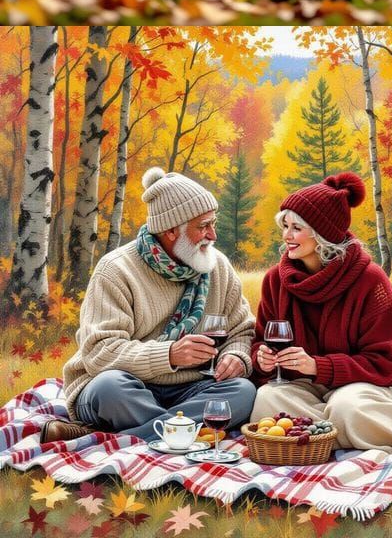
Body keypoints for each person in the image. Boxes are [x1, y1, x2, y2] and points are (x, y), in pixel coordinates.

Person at [249, 172, 392, 453]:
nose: (286, 236)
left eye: (296, 228)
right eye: (285, 226)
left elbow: (386, 362)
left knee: (348, 407)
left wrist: (317, 365)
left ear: (322, 234)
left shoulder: (370, 280)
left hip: (379, 383)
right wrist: (262, 358)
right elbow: (261, 341)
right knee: (266, 398)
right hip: (313, 387)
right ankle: (347, 433)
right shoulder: (276, 280)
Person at [49, 168, 257, 444]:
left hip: (190, 388)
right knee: (111, 388)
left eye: (213, 223)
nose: (213, 235)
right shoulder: (115, 270)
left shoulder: (217, 265)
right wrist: (170, 355)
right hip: (125, 387)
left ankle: (108, 438)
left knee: (243, 391)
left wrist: (236, 356)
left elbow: (241, 330)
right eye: (203, 226)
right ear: (171, 230)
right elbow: (100, 352)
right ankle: (183, 432)